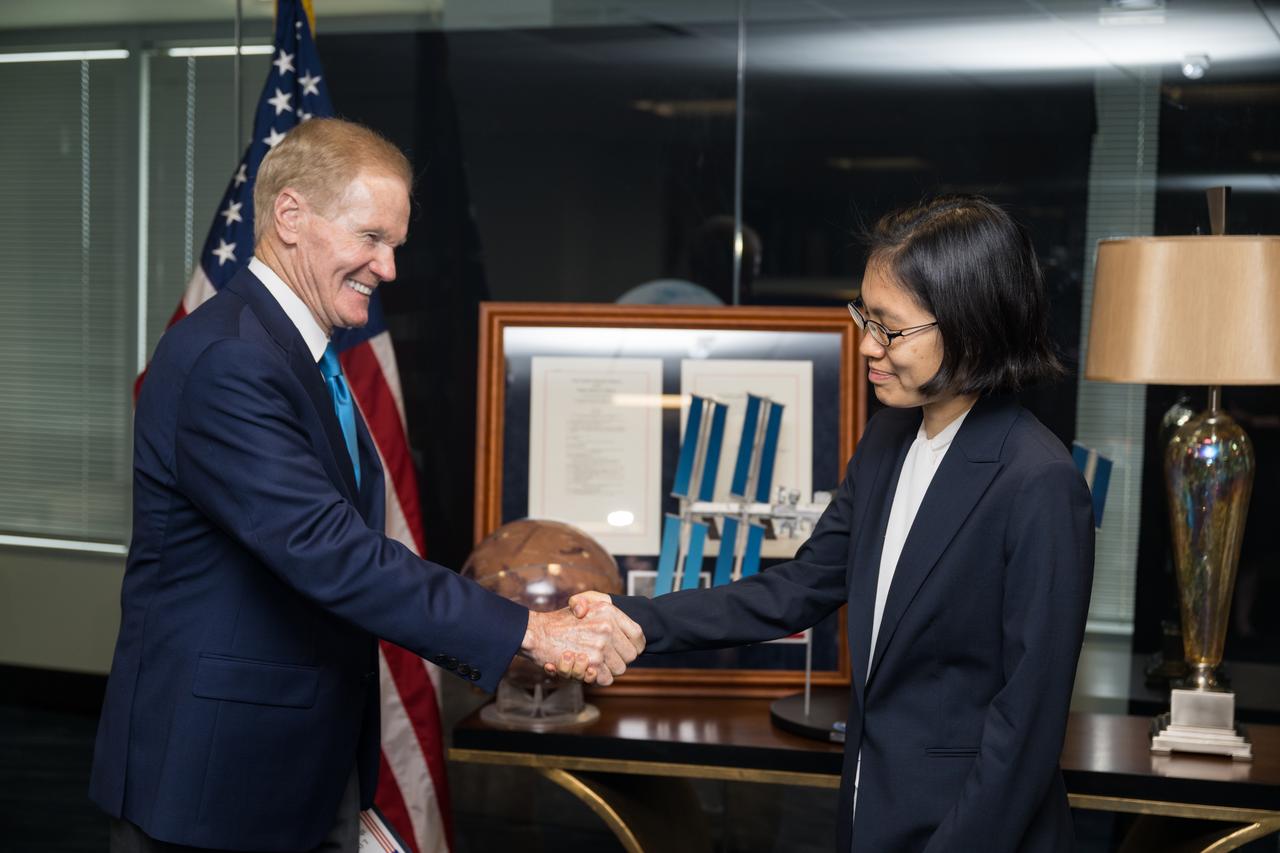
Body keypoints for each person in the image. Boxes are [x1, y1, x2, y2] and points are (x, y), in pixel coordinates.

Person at [89, 118, 644, 853]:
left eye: (395, 245)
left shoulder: (298, 354)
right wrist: (529, 630)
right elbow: (333, 552)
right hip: (214, 778)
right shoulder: (231, 359)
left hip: (295, 762)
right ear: (291, 215)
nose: (388, 269)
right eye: (370, 238)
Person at [573, 195, 1095, 852]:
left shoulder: (1038, 481)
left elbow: (1026, 728)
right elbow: (799, 587)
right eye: (864, 316)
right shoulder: (887, 438)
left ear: (972, 329)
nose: (866, 345)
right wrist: (634, 618)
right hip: (874, 818)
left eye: (890, 328)